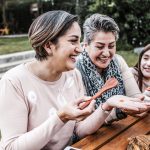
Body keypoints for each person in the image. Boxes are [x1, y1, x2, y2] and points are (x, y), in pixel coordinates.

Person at [0, 11, 149, 150]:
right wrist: (60, 117)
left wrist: (107, 106)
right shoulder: (14, 82)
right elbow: (11, 147)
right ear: (48, 45)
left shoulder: (73, 75)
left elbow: (78, 129)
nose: (79, 49)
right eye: (73, 41)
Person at [76, 13, 150, 123]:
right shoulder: (75, 68)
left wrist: (144, 101)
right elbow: (83, 117)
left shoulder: (118, 61)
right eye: (100, 46)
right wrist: (118, 112)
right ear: (86, 45)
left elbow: (135, 96)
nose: (106, 53)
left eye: (111, 46)